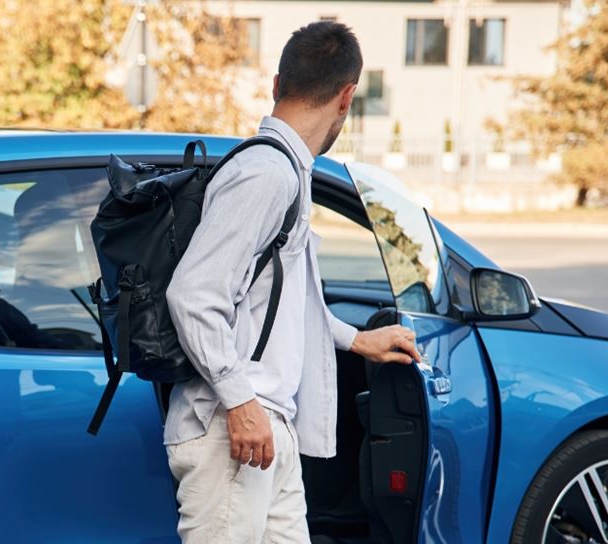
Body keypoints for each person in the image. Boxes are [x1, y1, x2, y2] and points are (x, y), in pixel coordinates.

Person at [164, 21, 423, 543]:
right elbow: (192, 294)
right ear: (347, 96)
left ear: (277, 84)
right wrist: (240, 402)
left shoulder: (288, 171)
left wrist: (357, 340)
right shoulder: (265, 173)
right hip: (233, 426)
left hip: (264, 427)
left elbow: (282, 300)